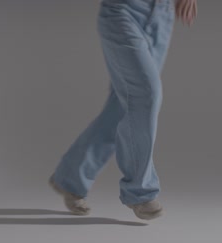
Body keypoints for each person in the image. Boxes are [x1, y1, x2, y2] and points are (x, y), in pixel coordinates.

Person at [49, 0, 197, 220]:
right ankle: (140, 191)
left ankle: (70, 178)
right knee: (146, 94)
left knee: (123, 107)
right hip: (123, 11)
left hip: (162, 16)